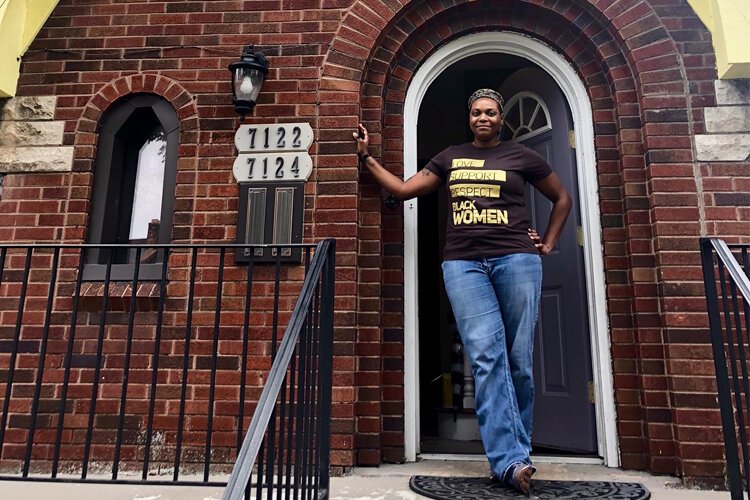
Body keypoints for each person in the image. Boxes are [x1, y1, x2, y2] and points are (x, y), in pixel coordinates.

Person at [353, 88, 572, 496]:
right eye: (476, 113)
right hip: (463, 264)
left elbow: (562, 198)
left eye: (490, 112)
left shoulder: (523, 156)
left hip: (516, 260)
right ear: (468, 118)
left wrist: (547, 243)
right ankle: (509, 462)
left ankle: (515, 457)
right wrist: (366, 158)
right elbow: (402, 191)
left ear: (501, 118)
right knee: (488, 359)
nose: (483, 118)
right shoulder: (450, 157)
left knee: (518, 360)